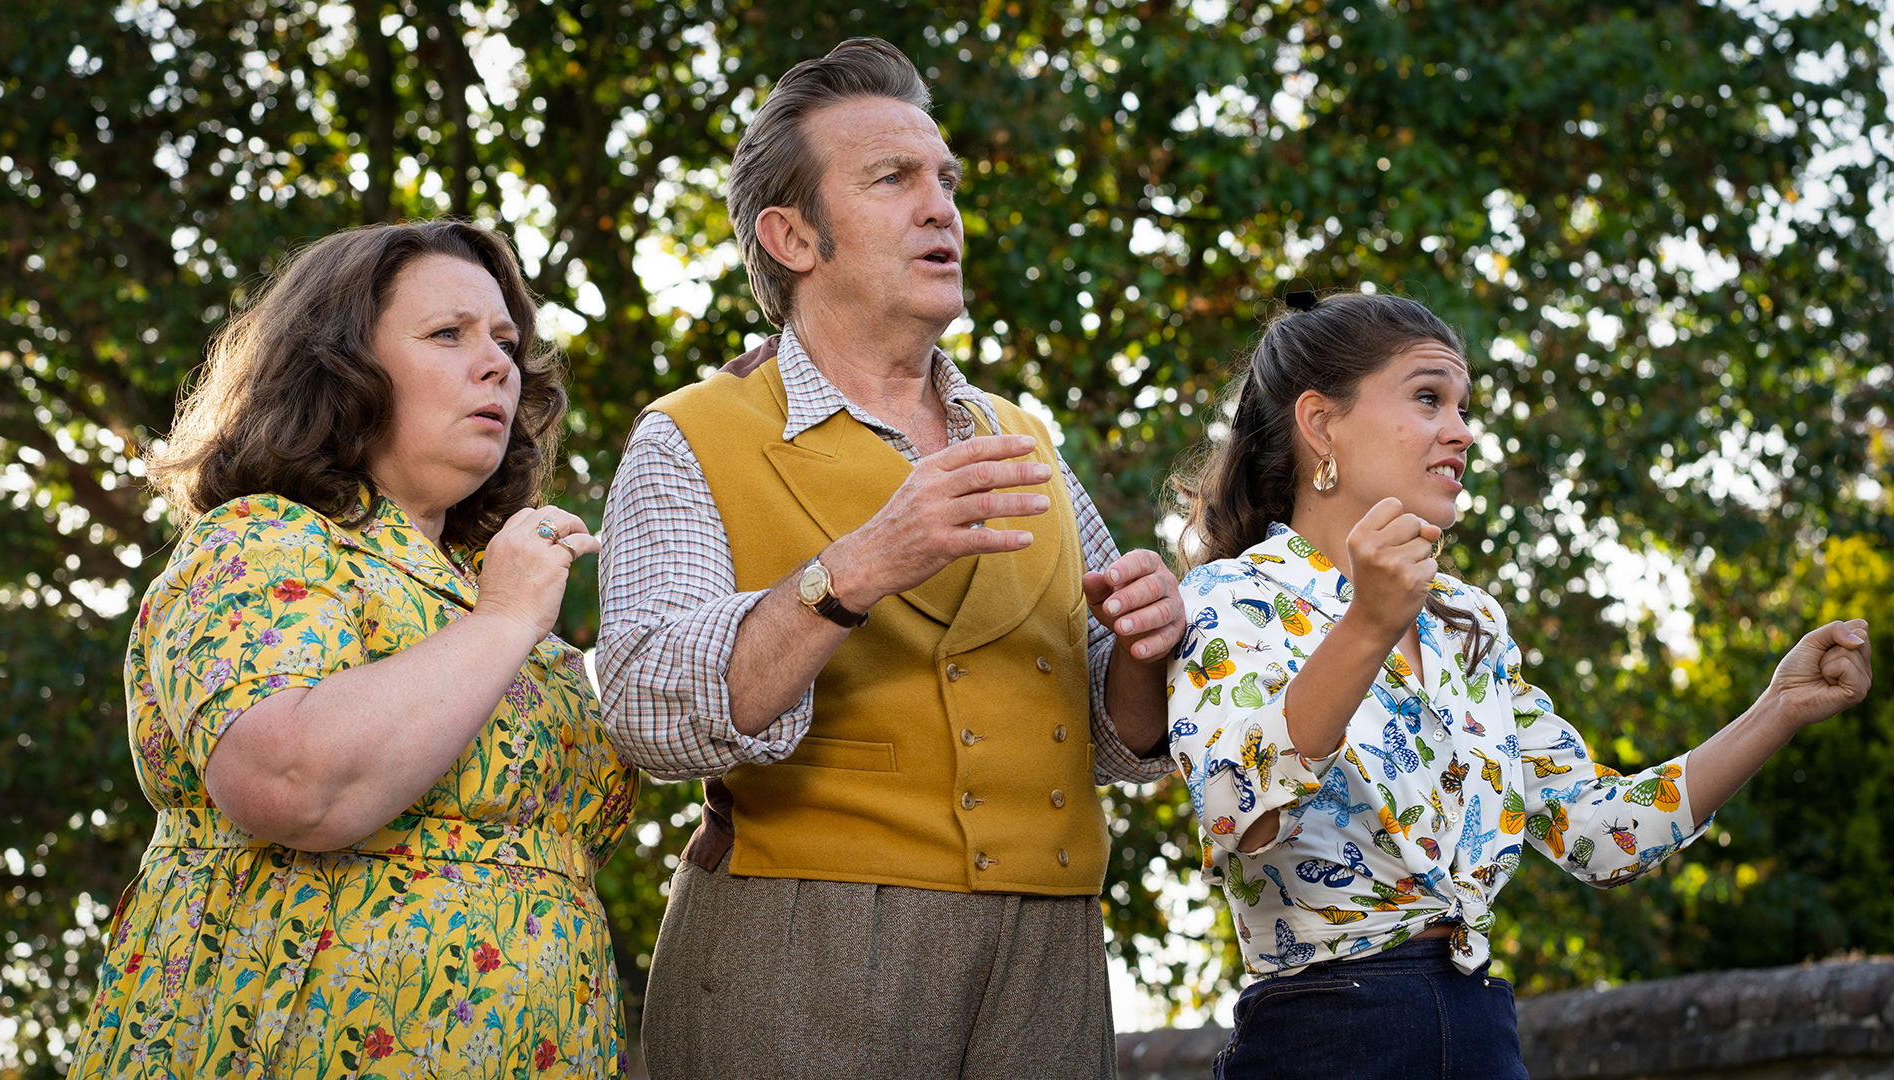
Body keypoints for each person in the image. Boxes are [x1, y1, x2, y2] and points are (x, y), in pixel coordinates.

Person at [596, 37, 1181, 1080]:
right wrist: (854, 570)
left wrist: (1146, 645)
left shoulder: (1024, 440)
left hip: (1052, 948)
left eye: (945, 180)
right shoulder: (687, 436)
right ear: (792, 237)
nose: (940, 207)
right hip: (801, 944)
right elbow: (642, 705)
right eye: (893, 179)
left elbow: (1115, 736)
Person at [1166, 290, 1872, 1079]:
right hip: (1324, 1042)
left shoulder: (1468, 623)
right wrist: (1367, 624)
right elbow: (1235, 808)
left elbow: (1599, 834)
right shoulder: (1230, 599)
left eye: (1464, 408)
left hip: (1482, 1033)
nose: (1462, 431)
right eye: (1428, 397)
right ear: (1321, 424)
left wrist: (1778, 708)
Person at [71, 221, 640, 1079]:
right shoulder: (261, 542)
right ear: (339, 368)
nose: (497, 364)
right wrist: (502, 620)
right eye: (448, 334)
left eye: (505, 342)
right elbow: (291, 781)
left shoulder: (493, 584)